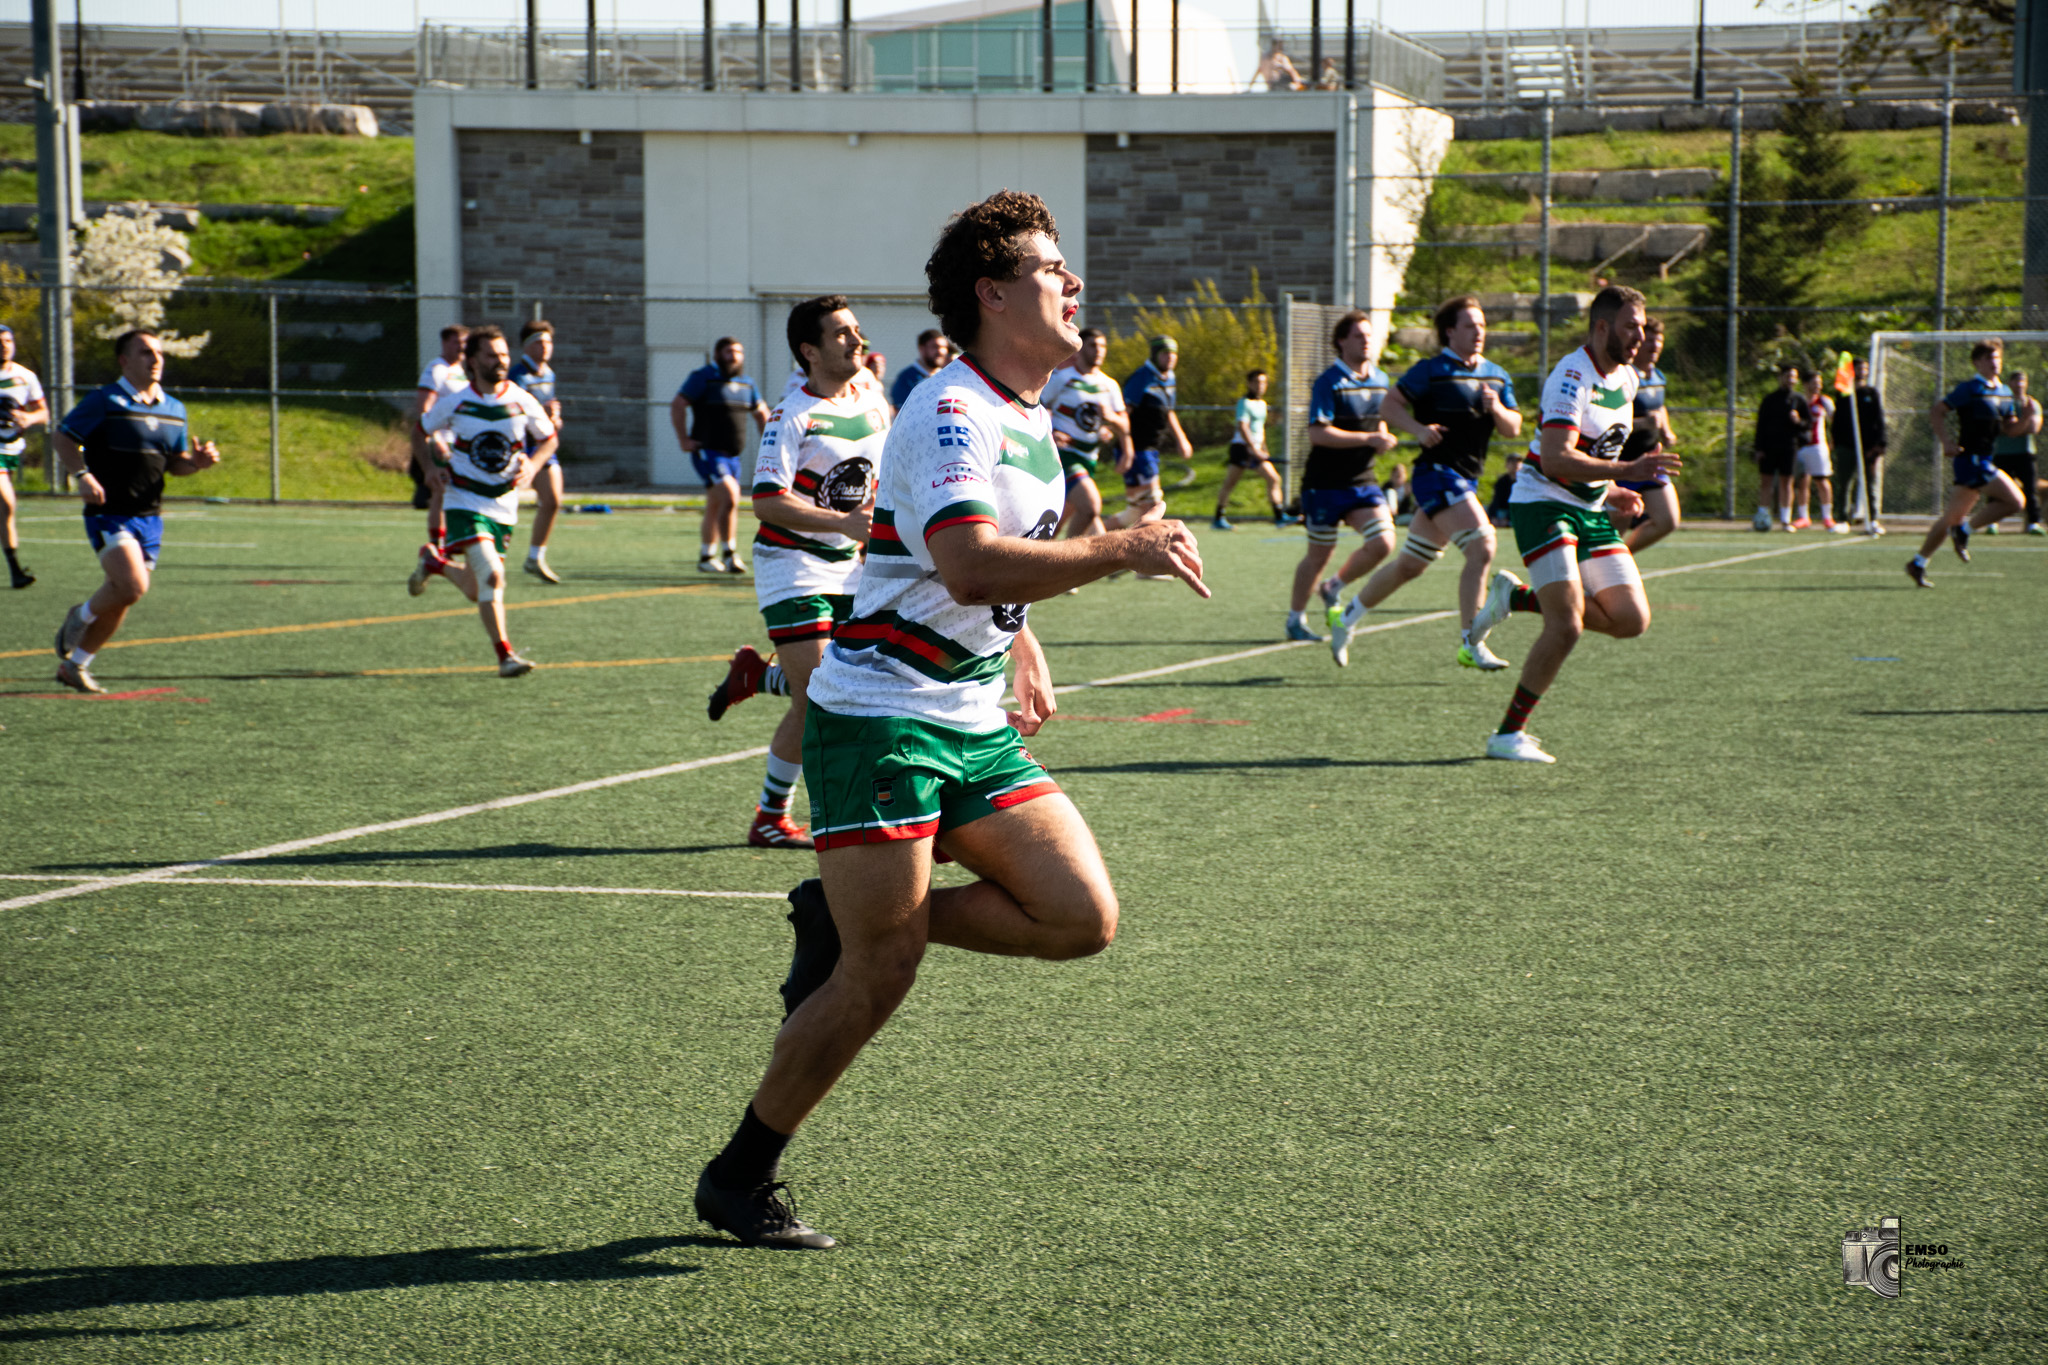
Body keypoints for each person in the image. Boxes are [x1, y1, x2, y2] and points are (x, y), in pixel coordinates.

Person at [692, 190, 1209, 1251]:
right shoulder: (947, 409)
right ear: (992, 294)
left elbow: (974, 573)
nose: (1072, 282)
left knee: (1080, 918)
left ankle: (843, 915)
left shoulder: (1024, 414)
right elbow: (968, 562)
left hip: (967, 712)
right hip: (881, 715)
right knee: (879, 974)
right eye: (1050, 268)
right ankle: (738, 1176)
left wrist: (1022, 639)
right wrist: (1124, 547)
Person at [1462, 285, 1681, 764]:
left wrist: (1613, 488)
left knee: (1631, 620)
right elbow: (1557, 459)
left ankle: (1516, 598)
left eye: (1642, 327)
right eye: (1631, 327)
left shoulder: (1628, 378)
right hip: (1543, 503)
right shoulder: (1571, 375)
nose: (1640, 337)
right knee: (1566, 625)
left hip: (1588, 507)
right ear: (1602, 327)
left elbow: (1595, 450)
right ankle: (1507, 735)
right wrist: (1628, 471)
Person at [713, 295, 887, 850]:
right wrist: (844, 522)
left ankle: (759, 678)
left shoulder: (875, 402)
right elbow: (767, 501)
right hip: (793, 566)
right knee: (818, 700)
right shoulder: (791, 415)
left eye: (856, 329)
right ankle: (773, 818)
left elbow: (880, 480)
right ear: (809, 351)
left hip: (849, 566)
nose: (856, 340)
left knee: (862, 687)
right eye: (841, 334)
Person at [1330, 294, 1522, 670]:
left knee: (1410, 565)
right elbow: (1389, 405)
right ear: (1450, 331)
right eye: (1470, 326)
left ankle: (1346, 618)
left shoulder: (1497, 375)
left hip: (1466, 478)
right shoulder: (1430, 370)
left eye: (1482, 325)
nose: (1479, 332)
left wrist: (1497, 407)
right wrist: (1418, 429)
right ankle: (1471, 642)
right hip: (1436, 474)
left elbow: (1513, 427)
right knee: (1482, 546)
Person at [50, 330, 221, 693]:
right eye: (145, 352)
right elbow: (63, 437)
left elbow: (175, 463)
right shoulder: (105, 400)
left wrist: (197, 463)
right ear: (124, 360)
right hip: (109, 512)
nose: (155, 359)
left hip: (151, 517)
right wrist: (82, 475)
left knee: (124, 595)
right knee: (132, 586)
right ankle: (80, 615)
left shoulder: (174, 408)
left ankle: (76, 665)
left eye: (158, 352)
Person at [407, 326, 559, 675]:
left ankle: (434, 562)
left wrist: (534, 465)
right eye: (492, 355)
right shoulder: (457, 401)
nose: (501, 361)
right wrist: (429, 468)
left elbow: (549, 438)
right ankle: (506, 656)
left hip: (503, 505)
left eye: (504, 354)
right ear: (473, 361)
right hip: (464, 500)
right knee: (493, 575)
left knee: (477, 589)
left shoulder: (521, 399)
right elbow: (419, 432)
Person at [1284, 309, 1395, 643]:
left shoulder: (1381, 380)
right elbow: (1318, 433)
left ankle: (1334, 586)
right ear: (1342, 341)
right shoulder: (1329, 381)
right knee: (1320, 554)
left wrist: (1382, 436)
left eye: (1369, 335)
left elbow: (1379, 419)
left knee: (1383, 542)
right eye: (1359, 336)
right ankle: (1295, 620)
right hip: (1325, 483)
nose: (1366, 341)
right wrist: (1369, 438)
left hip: (1362, 479)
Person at [1906, 338, 2028, 586]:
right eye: (1989, 358)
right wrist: (1946, 442)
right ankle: (1964, 531)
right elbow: (1937, 411)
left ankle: (1918, 563)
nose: (1995, 362)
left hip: (1984, 459)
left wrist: (2029, 421)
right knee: (2016, 501)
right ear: (1977, 362)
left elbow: (2010, 429)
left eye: (1997, 357)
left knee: (1951, 517)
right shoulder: (1969, 388)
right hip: (1970, 460)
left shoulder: (2004, 392)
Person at [673, 338, 769, 575]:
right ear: (717, 354)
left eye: (738, 352)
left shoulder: (747, 383)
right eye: (729, 351)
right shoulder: (703, 377)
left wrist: (770, 447)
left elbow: (762, 414)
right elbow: (678, 404)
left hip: (733, 457)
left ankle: (706, 557)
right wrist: (684, 439)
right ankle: (729, 554)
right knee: (731, 496)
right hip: (708, 452)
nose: (734, 356)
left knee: (717, 504)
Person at [1043, 326, 1127, 543]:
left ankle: (1035, 559)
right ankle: (1067, 561)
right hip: (1065, 456)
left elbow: (1124, 425)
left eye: (1102, 346)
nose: (1099, 350)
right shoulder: (1061, 378)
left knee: (1053, 527)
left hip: (1090, 459)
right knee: (1090, 506)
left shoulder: (1110, 385)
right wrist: (1050, 431)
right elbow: (1035, 407)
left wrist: (1111, 421)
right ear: (1079, 349)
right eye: (1093, 345)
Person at [508, 319, 567, 583]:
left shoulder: (548, 374)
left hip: (542, 445)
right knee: (502, 503)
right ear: (527, 346)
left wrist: (554, 419)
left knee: (553, 500)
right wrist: (541, 414)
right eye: (540, 342)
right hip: (519, 446)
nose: (546, 347)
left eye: (549, 342)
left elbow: (547, 415)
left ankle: (535, 557)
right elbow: (514, 412)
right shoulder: (518, 376)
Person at [1617, 318, 1681, 554]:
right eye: (1650, 341)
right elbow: (1609, 422)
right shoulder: (1624, 377)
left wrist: (1666, 430)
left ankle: (1622, 557)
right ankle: (1605, 562)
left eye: (1659, 342)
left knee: (1668, 520)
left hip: (1652, 460)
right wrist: (1642, 423)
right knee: (1612, 531)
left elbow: (1659, 407)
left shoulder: (1658, 376)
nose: (1655, 347)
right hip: (1624, 464)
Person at [1116, 337, 1188, 532]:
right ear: (1155, 355)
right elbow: (1125, 411)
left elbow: (1168, 411)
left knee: (1134, 512)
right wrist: (1124, 447)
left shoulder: (1169, 378)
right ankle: (1142, 548)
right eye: (1165, 353)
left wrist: (1181, 439)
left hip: (1151, 449)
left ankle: (1094, 535)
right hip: (1138, 449)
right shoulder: (1142, 377)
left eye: (1174, 353)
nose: (1170, 357)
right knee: (1154, 503)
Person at [0, 322, 49, 589]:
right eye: (0, 342)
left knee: (5, 509)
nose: (4, 346)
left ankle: (15, 571)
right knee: (6, 502)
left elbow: (43, 413)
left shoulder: (25, 376)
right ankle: (16, 569)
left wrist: (28, 418)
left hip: (9, 450)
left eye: (8, 341)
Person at [413, 325, 468, 549]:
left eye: (464, 342)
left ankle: (453, 542)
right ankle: (437, 545)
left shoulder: (459, 370)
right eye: (457, 342)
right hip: (443, 442)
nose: (462, 347)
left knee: (457, 493)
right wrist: (436, 439)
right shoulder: (436, 369)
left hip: (459, 442)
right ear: (444, 343)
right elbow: (424, 409)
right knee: (441, 492)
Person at [1213, 369, 1289, 529]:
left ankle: (1279, 517)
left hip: (1255, 449)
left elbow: (1259, 429)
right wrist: (1252, 448)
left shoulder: (1262, 404)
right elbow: (1243, 426)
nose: (1260, 386)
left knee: (1273, 479)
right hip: (1241, 448)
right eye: (1256, 382)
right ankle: (1218, 518)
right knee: (1230, 483)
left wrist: (1263, 449)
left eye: (1263, 382)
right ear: (1249, 384)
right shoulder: (1244, 403)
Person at [1830, 356, 1888, 534]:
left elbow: (1879, 419)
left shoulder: (1871, 393)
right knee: (1844, 483)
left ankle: (1873, 519)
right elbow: (1837, 420)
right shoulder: (1844, 394)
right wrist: (1836, 441)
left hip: (1868, 447)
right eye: (1859, 368)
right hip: (1846, 446)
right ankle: (1842, 519)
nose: (1863, 371)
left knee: (1870, 484)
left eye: (1865, 368)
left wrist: (1880, 443)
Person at [1750, 363, 1807, 532]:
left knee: (1786, 481)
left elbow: (1808, 424)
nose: (1790, 380)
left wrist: (1798, 421)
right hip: (1769, 447)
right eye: (1787, 376)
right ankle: (1763, 517)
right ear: (1780, 378)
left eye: (1793, 377)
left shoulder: (1799, 400)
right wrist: (1759, 449)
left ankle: (1785, 519)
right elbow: (1760, 426)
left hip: (1789, 446)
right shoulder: (1769, 399)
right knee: (1766, 481)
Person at [1987, 370, 2043, 535]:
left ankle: (2033, 523)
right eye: (2016, 381)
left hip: (2025, 453)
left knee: (2030, 489)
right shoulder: (2003, 403)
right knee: (1997, 490)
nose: (2019, 385)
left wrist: (2014, 428)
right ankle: (1992, 523)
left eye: (2022, 381)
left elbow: (2034, 427)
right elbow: (2000, 428)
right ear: (2010, 384)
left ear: (2026, 384)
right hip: (2002, 453)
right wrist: (2019, 425)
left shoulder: (2032, 404)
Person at [1792, 368, 1842, 532]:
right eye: (1814, 383)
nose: (1818, 386)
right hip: (1801, 447)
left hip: (1818, 446)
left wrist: (1834, 439)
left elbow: (1835, 421)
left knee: (1822, 480)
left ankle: (1827, 516)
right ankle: (1803, 516)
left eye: (1819, 383)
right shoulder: (1798, 401)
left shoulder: (1824, 401)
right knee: (1802, 481)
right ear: (1805, 384)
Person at [889, 329, 952, 412]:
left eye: (944, 347)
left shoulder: (947, 376)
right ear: (922, 349)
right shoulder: (906, 379)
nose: (941, 351)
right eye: (935, 347)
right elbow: (902, 411)